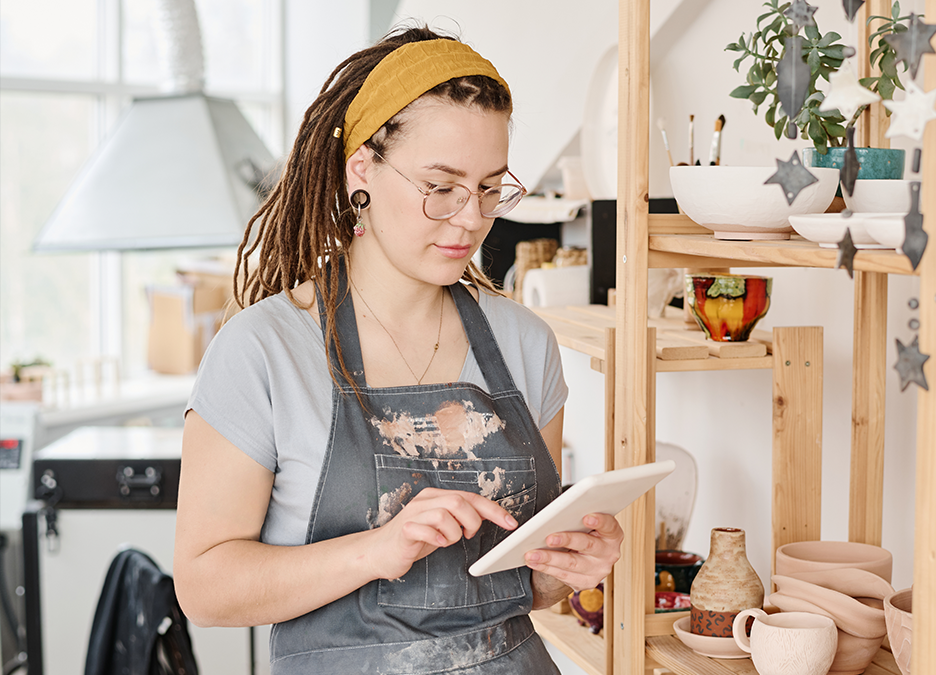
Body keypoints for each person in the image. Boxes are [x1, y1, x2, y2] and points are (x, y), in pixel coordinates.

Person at [173, 25, 623, 674]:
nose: (470, 218)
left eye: (491, 187)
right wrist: (375, 551)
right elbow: (205, 588)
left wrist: (574, 567)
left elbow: (526, 585)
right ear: (363, 169)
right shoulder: (262, 352)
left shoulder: (526, 344)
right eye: (441, 186)